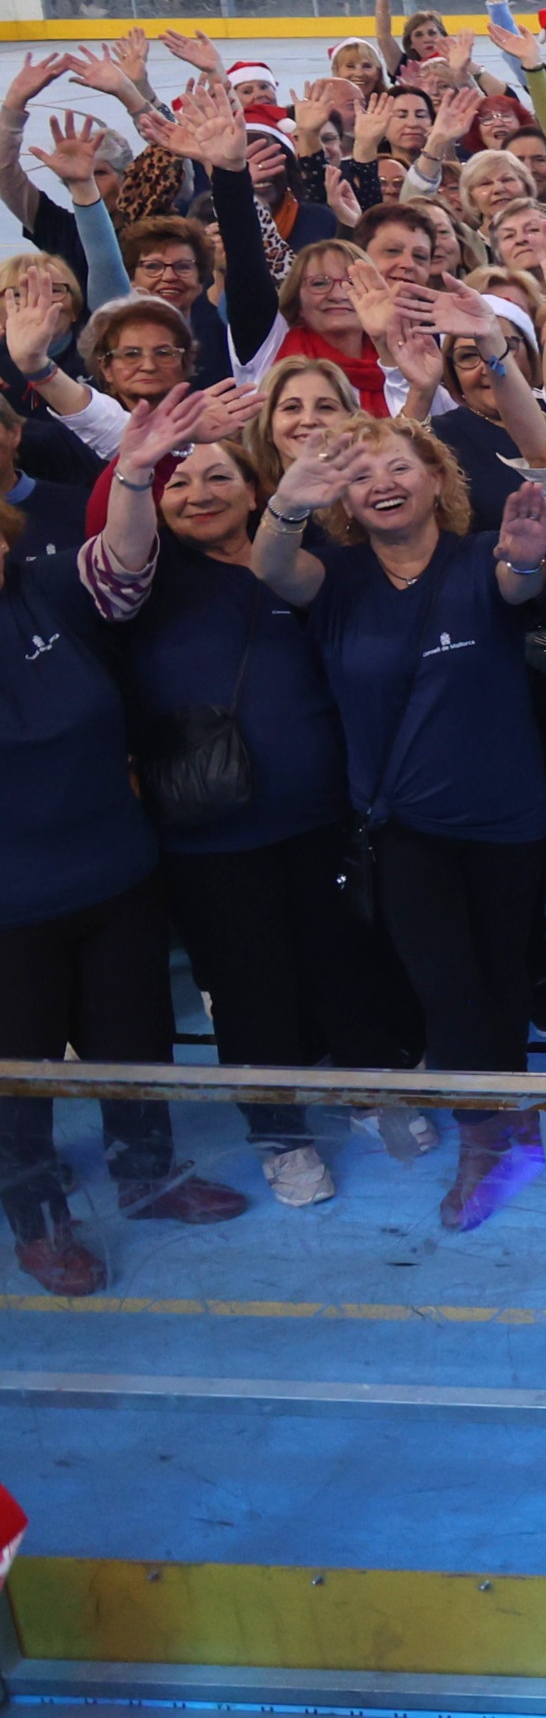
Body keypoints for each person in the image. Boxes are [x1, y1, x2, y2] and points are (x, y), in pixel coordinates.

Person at [87, 385, 418, 1212]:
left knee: (346, 964)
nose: (199, 493)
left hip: (320, 815)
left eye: (218, 477)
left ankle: (371, 1092)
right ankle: (280, 1136)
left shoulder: (304, 565)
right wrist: (139, 465)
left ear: (257, 490)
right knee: (248, 988)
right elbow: (113, 535)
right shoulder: (149, 577)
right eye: (182, 483)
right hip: (210, 837)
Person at [248, 410, 546, 1231]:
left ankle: (511, 1107)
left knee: (503, 974)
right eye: (361, 475)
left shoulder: (480, 556)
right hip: (403, 824)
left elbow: (518, 582)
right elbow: (269, 564)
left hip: (504, 813)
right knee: (444, 984)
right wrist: (288, 498)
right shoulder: (335, 577)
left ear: (435, 479)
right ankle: (479, 1135)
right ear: (343, 499)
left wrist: (527, 557)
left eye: (398, 467)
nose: (382, 484)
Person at [4, 393, 251, 1295]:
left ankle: (150, 1177)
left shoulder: (46, 588)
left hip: (115, 872)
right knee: (18, 1076)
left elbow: (120, 567)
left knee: (136, 1039)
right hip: (9, 910)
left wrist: (138, 473)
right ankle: (40, 1222)